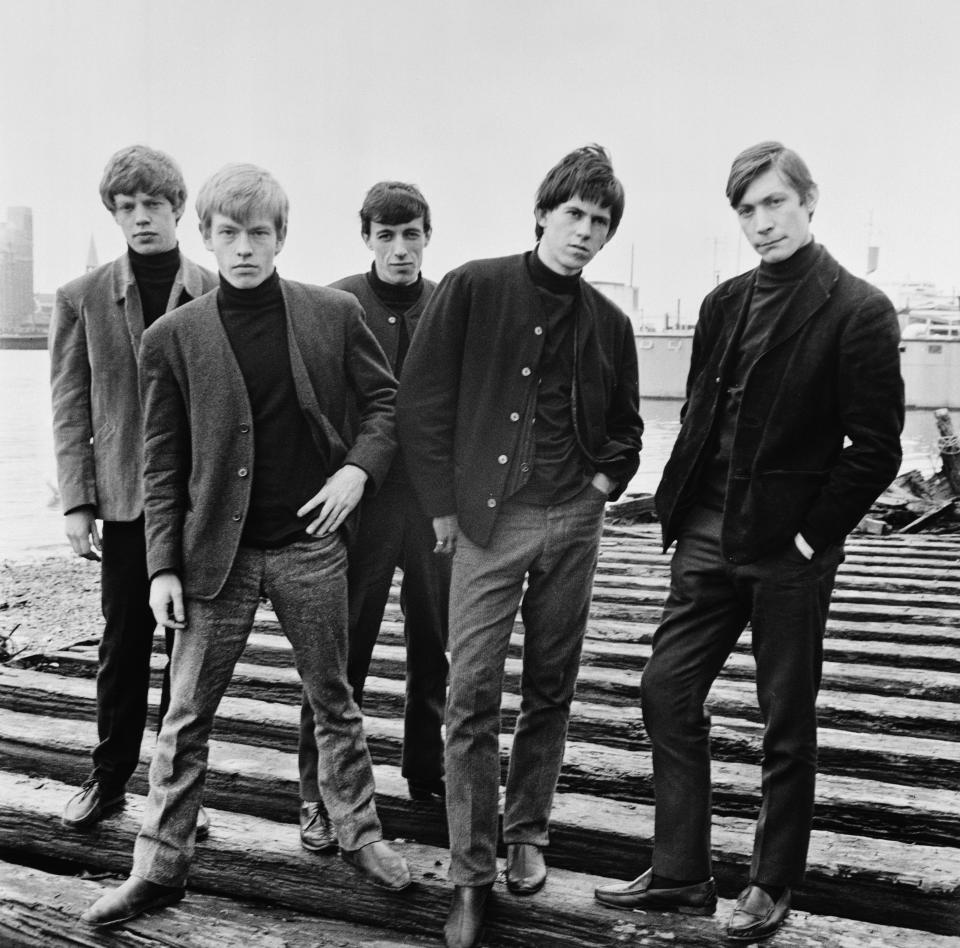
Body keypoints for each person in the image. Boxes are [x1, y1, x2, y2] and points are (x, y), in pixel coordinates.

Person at [81, 163, 410, 928]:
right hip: (211, 560)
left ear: (281, 236)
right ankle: (159, 868)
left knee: (334, 699)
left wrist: (358, 472)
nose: (243, 247)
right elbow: (159, 463)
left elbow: (384, 404)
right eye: (227, 233)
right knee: (186, 717)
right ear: (207, 237)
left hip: (310, 546)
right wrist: (161, 565)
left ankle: (359, 832)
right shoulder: (172, 338)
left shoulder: (331, 315)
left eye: (259, 232)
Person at [594, 141, 904, 943]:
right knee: (665, 690)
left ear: (808, 201)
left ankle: (771, 881)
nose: (761, 222)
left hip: (786, 550)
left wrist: (809, 539)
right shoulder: (723, 302)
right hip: (704, 536)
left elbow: (875, 449)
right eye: (746, 209)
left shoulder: (858, 309)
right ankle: (681, 873)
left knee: (784, 721)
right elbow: (704, 419)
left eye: (774, 203)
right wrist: (675, 507)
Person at [398, 145, 643, 948]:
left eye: (600, 222)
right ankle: (469, 875)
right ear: (543, 213)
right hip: (485, 526)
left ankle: (527, 832)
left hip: (573, 523)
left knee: (551, 683)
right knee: (468, 695)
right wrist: (442, 512)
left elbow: (628, 433)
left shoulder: (610, 323)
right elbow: (423, 405)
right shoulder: (473, 287)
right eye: (573, 214)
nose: (584, 232)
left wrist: (599, 491)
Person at [49, 145, 217, 835]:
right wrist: (77, 501)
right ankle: (108, 776)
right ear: (114, 214)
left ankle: (174, 794)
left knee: (192, 652)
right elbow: (69, 405)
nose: (141, 218)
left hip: (196, 502)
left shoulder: (214, 289)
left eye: (154, 204)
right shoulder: (81, 297)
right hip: (122, 502)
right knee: (124, 646)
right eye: (127, 207)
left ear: (178, 207)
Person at [297, 181, 450, 853]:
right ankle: (317, 788)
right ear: (366, 238)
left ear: (427, 235)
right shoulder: (335, 303)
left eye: (411, 233)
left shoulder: (449, 302)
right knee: (338, 654)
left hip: (433, 509)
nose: (399, 249)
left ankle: (426, 769)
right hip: (359, 508)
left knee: (433, 644)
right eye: (385, 235)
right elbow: (311, 405)